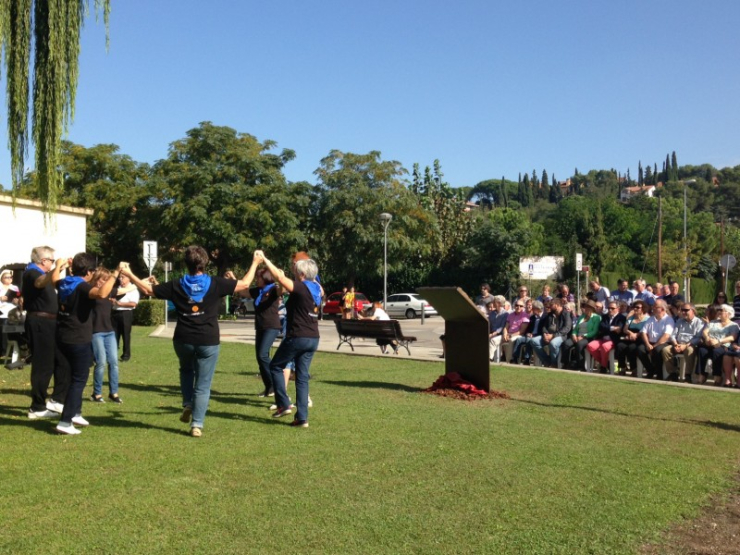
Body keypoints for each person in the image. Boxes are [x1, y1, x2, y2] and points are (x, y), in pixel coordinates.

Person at [124, 245, 253, 437]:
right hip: (208, 340)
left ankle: (187, 403)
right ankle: (197, 425)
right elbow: (243, 284)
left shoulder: (177, 284)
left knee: (186, 370)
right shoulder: (215, 283)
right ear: (205, 262)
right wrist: (256, 262)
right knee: (203, 383)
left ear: (186, 263)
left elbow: (149, 290)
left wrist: (129, 273)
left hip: (183, 338)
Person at [54, 254, 123, 434]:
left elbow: (54, 278)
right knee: (79, 379)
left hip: (62, 336)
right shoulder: (83, 287)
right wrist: (115, 274)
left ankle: (75, 412)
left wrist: (59, 266)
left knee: (71, 377)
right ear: (90, 272)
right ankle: (65, 421)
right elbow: (102, 293)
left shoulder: (64, 283)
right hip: (78, 338)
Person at [259, 250, 322, 428]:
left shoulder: (301, 287)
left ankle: (283, 404)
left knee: (275, 366)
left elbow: (279, 277)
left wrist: (265, 259)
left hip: (298, 336)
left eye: (296, 270)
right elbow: (282, 288)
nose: (294, 271)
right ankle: (302, 418)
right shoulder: (316, 288)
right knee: (302, 377)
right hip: (313, 338)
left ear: (302, 274)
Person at [24, 246, 69, 419]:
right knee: (43, 366)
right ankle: (37, 407)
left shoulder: (43, 272)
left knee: (63, 361)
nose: (52, 262)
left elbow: (50, 281)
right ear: (44, 261)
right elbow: (40, 282)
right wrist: (56, 268)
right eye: (51, 260)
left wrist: (61, 268)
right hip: (40, 322)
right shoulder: (32, 273)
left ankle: (57, 400)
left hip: (51, 323)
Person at [231, 255, 281, 397]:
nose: (256, 279)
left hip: (271, 326)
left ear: (265, 278)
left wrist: (281, 278)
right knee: (259, 358)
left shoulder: (273, 289)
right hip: (260, 326)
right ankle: (269, 387)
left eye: (258, 277)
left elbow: (282, 290)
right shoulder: (257, 291)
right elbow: (242, 291)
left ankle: (275, 385)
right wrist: (234, 278)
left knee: (263, 355)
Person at [90, 268, 122, 403]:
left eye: (106, 280)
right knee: (101, 362)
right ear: (96, 279)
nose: (104, 282)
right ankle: (96, 394)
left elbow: (127, 288)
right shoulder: (91, 293)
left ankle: (113, 393)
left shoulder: (109, 291)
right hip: (96, 333)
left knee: (114, 362)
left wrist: (142, 280)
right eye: (103, 279)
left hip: (109, 332)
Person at [696, 304, 739, 385]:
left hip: (723, 345)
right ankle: (702, 374)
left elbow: (732, 337)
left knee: (717, 352)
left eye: (721, 310)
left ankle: (717, 376)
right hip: (709, 343)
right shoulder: (713, 322)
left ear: (728, 314)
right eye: (719, 310)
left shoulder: (733, 325)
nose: (719, 312)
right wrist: (707, 338)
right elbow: (705, 331)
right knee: (702, 350)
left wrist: (719, 341)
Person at [661, 303, 704, 382]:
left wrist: (685, 345)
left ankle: (688, 375)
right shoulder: (679, 321)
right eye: (682, 310)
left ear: (693, 311)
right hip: (678, 344)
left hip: (690, 345)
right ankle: (673, 373)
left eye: (686, 310)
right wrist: (675, 344)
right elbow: (673, 335)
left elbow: (698, 338)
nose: (683, 312)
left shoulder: (699, 322)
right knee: (666, 350)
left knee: (690, 350)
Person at [636, 299, 675, 380]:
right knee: (640, 349)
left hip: (663, 343)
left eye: (655, 307)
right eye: (653, 306)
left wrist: (654, 346)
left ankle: (659, 374)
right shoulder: (651, 319)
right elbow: (643, 332)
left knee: (657, 350)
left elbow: (666, 336)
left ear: (663, 309)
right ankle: (650, 370)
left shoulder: (669, 320)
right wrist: (647, 344)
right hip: (650, 342)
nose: (653, 308)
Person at [531, 298, 572, 367]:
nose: (550, 307)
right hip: (548, 335)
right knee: (534, 341)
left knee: (553, 344)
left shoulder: (566, 314)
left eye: (551, 305)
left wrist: (553, 336)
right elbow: (544, 326)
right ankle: (547, 361)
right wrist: (545, 334)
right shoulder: (550, 315)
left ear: (557, 305)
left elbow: (567, 328)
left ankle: (554, 364)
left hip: (561, 336)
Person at [586, 300, 626, 370]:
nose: (610, 310)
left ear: (618, 309)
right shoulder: (605, 317)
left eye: (612, 308)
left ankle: (603, 367)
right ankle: (606, 364)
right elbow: (601, 327)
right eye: (609, 308)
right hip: (603, 338)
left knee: (604, 347)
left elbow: (619, 330)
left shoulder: (621, 318)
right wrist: (612, 328)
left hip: (613, 340)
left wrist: (607, 328)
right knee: (590, 346)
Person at [562, 300, 601, 370]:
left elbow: (594, 331)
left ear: (591, 308)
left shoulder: (596, 317)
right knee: (566, 343)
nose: (584, 308)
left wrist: (583, 336)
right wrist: (574, 335)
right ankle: (565, 363)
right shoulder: (581, 317)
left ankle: (580, 365)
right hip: (577, 336)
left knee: (580, 344)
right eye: (584, 307)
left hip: (588, 337)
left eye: (586, 307)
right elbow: (576, 329)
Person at [614, 300, 650, 375]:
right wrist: (631, 333)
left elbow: (645, 330)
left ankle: (634, 368)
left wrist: (636, 335)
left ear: (643, 309)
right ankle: (622, 367)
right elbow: (625, 329)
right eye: (634, 307)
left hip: (640, 338)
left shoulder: (647, 319)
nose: (635, 309)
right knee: (620, 346)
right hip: (630, 337)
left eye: (637, 307)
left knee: (632, 348)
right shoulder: (631, 318)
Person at [111, 273, 140, 361]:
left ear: (129, 279)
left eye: (123, 277)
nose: (120, 279)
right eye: (120, 277)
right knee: (114, 334)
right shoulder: (118, 288)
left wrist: (120, 303)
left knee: (125, 335)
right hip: (114, 312)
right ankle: (113, 354)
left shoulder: (133, 290)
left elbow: (133, 303)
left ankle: (126, 355)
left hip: (125, 313)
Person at [0, 269, 20, 358]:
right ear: (2, 279)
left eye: (10, 277)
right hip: (2, 311)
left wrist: (16, 301)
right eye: (6, 277)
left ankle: (13, 351)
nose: (9, 279)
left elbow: (18, 298)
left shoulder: (14, 288)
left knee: (12, 331)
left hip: (12, 311)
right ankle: (3, 351)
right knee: (3, 332)